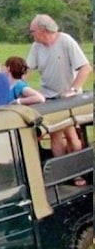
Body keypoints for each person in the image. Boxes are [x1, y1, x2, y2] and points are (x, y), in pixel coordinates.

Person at [27, 14, 92, 155]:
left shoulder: (66, 41)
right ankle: (63, 173)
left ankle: (78, 173)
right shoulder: (36, 46)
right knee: (55, 134)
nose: (31, 34)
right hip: (49, 96)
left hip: (68, 98)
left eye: (32, 31)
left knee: (71, 135)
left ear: (42, 30)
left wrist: (73, 89)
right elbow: (27, 69)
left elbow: (86, 68)